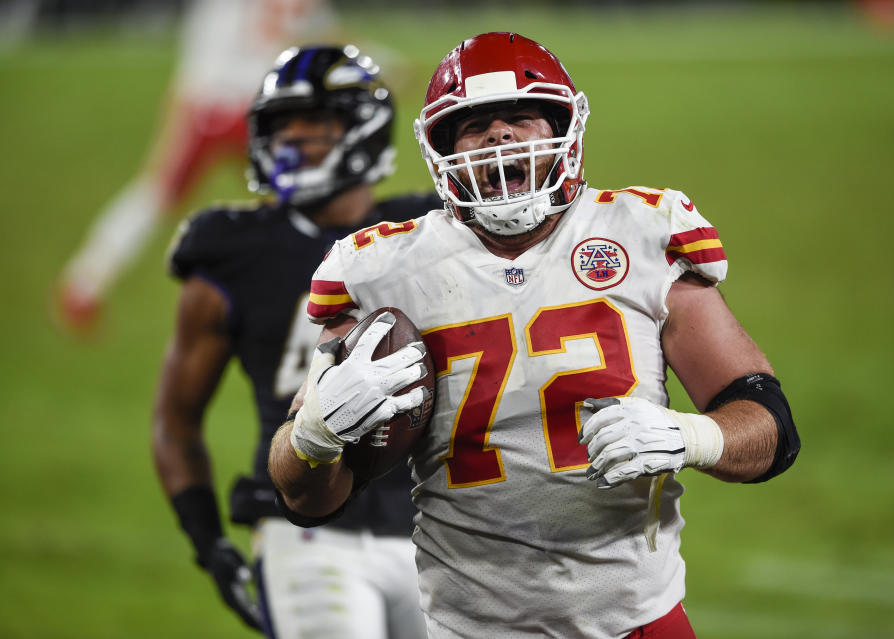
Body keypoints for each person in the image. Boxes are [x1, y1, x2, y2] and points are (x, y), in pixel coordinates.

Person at [269, 32, 801, 639]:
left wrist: (691, 435)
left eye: (521, 117)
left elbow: (771, 428)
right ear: (441, 147)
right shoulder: (381, 271)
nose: (498, 135)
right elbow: (304, 498)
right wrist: (313, 435)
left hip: (638, 623)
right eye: (474, 124)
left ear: (563, 132)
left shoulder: (644, 234)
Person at [152, 45, 437, 638]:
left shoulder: (433, 232)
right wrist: (208, 541)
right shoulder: (231, 250)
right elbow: (175, 422)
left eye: (316, 122)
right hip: (303, 528)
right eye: (283, 124)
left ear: (363, 130)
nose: (295, 138)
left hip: (435, 527)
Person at [56, 0, 339, 336]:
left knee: (156, 193)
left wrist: (172, 124)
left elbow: (195, 72)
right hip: (257, 112)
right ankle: (326, 290)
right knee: (308, 200)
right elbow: (323, 35)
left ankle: (84, 283)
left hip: (213, 107)